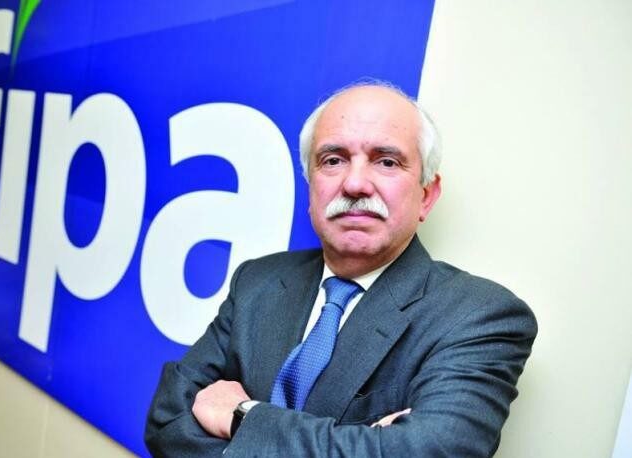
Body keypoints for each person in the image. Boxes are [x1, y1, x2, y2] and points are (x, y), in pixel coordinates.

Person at [144, 82, 537, 457]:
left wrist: (243, 416)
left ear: (427, 196)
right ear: (311, 187)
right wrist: (367, 443)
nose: (355, 184)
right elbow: (167, 419)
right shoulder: (257, 281)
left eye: (386, 161)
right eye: (333, 160)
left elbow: (434, 451)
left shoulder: (480, 316)